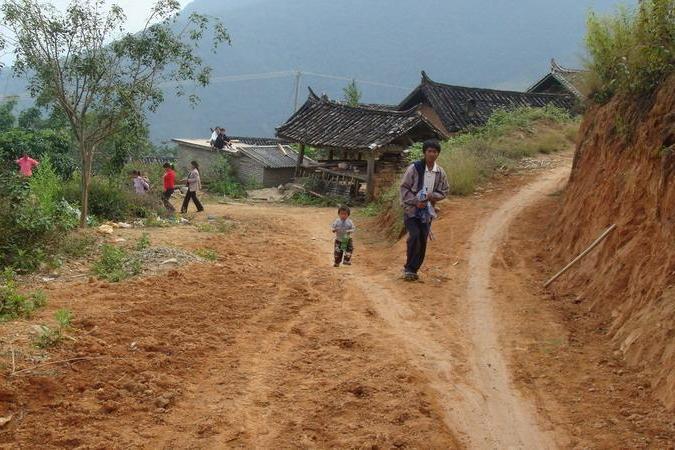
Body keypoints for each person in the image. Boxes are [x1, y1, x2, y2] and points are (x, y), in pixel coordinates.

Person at [399, 139, 449, 281]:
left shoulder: (439, 172)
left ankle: (414, 269)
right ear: (424, 152)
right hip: (411, 211)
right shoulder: (414, 168)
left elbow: (444, 190)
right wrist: (416, 201)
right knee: (414, 235)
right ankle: (408, 268)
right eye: (429, 151)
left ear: (438, 154)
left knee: (423, 239)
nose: (432, 154)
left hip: (427, 213)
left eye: (435, 151)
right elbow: (404, 188)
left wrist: (432, 196)